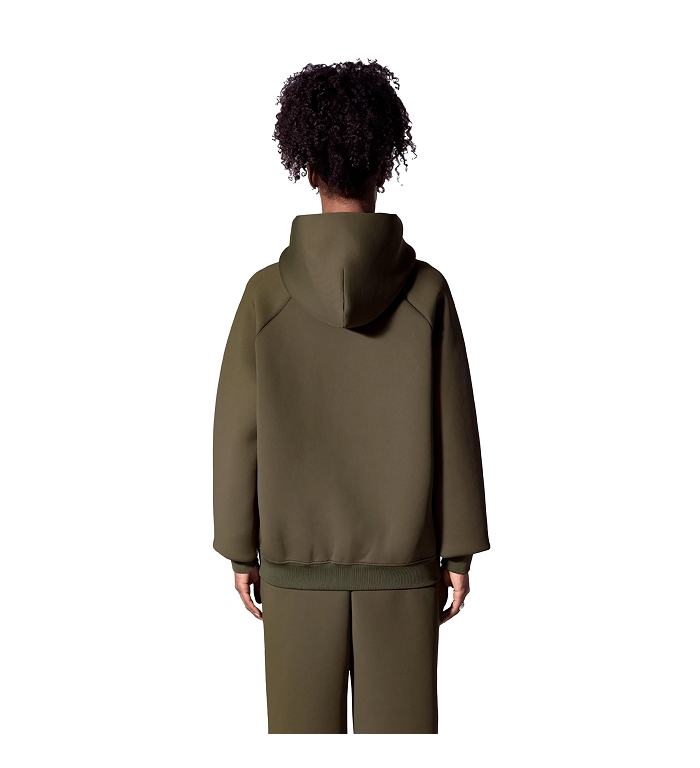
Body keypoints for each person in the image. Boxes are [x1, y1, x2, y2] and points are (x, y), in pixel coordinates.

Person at [212, 59, 490, 734]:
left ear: (307, 166)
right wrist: (458, 551)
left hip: (292, 569)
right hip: (406, 569)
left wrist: (241, 548)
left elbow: (237, 432)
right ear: (385, 164)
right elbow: (453, 426)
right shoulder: (426, 292)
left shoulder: (266, 296)